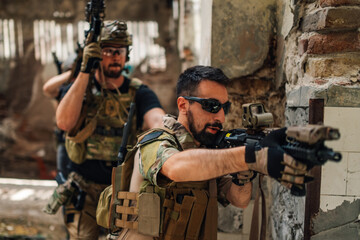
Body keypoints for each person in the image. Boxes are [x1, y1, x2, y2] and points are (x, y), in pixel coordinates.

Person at [114, 65, 310, 240]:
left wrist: (244, 174)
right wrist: (248, 155)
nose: (221, 116)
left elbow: (239, 200)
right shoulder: (155, 141)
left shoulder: (206, 150)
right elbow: (176, 167)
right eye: (212, 106)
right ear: (183, 105)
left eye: (224, 107)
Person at [56, 20, 165, 240]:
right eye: (107, 51)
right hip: (83, 189)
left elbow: (157, 119)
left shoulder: (139, 92)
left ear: (127, 55)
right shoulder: (79, 90)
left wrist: (169, 132)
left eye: (120, 51)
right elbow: (65, 123)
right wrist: (85, 71)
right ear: (97, 55)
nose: (115, 56)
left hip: (120, 190)